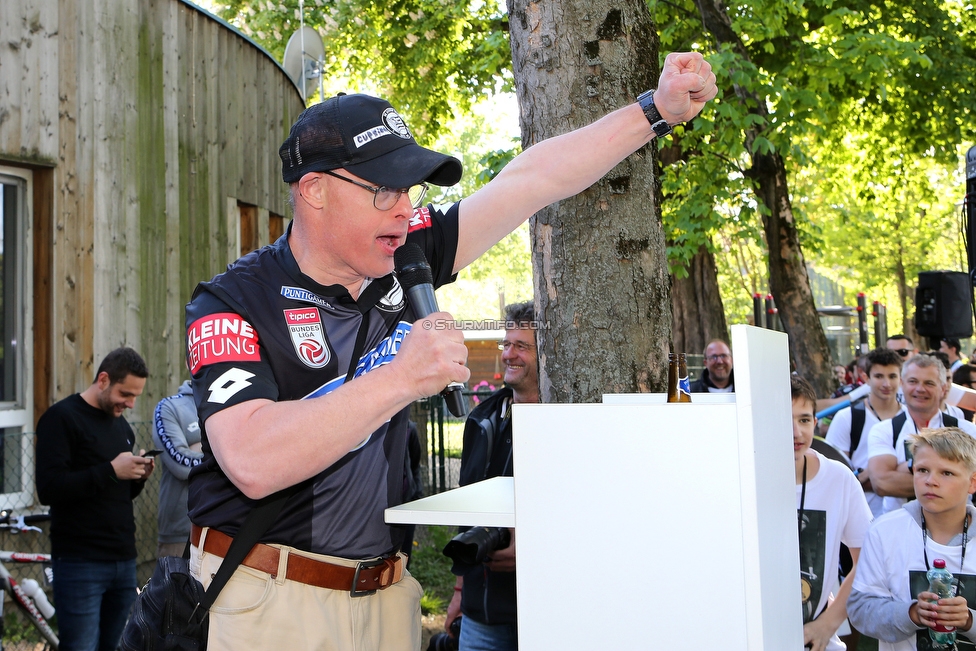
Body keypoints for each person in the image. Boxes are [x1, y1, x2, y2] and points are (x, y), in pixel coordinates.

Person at [183, 53, 718, 651]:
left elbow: (533, 181)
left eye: (409, 191)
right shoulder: (231, 302)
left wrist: (657, 110)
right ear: (314, 191)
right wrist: (400, 378)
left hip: (386, 599)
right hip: (267, 601)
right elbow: (252, 462)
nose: (407, 211)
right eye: (385, 191)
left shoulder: (410, 251)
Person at [35, 347, 154, 651]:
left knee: (116, 646)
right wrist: (112, 471)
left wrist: (137, 477)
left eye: (135, 396)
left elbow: (118, 493)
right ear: (103, 380)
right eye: (125, 394)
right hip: (80, 563)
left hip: (124, 560)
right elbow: (49, 488)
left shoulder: (122, 427)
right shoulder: (61, 418)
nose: (130, 403)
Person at [444, 302, 538, 651]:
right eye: (506, 344)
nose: (509, 354)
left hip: (543, 612)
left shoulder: (570, 421)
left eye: (522, 346)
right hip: (479, 614)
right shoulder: (480, 420)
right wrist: (457, 593)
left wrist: (530, 547)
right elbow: (466, 508)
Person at [848, 427, 976, 650]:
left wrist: (968, 620)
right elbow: (860, 609)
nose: (930, 481)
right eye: (922, 470)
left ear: (973, 482)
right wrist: (912, 613)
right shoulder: (884, 531)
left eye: (946, 473)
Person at [791, 375, 873, 651]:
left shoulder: (838, 478)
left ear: (815, 423)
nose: (796, 432)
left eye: (803, 420)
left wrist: (828, 623)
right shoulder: (742, 477)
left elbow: (867, 558)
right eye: (785, 419)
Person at [867, 354, 976, 515]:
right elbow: (882, 483)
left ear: (943, 388)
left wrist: (904, 467)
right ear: (902, 385)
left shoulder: (967, 430)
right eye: (913, 381)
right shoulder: (884, 430)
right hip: (899, 528)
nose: (920, 389)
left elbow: (971, 481)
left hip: (956, 529)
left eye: (929, 383)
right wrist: (950, 478)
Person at [825, 348, 904, 517]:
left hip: (905, 518)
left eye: (892, 376)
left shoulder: (911, 419)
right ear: (866, 378)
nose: (886, 384)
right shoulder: (847, 418)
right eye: (879, 376)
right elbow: (834, 474)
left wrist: (873, 474)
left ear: (901, 378)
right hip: (860, 517)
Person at [151, 379, 204, 558]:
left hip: (229, 530)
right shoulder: (170, 407)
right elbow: (181, 465)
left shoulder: (236, 407)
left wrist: (198, 447)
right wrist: (222, 455)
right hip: (181, 533)